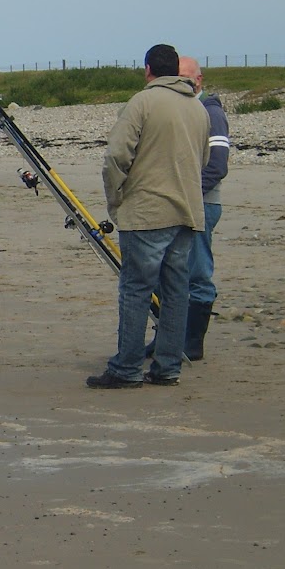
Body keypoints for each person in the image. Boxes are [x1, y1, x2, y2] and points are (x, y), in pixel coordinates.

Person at [89, 43, 209, 389]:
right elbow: (202, 161)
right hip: (185, 212)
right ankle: (167, 367)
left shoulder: (142, 102)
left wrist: (116, 198)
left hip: (147, 213)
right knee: (175, 292)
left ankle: (126, 368)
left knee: (136, 291)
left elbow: (116, 156)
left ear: (148, 71)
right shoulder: (197, 107)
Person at [177, 58, 229, 359]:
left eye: (187, 78)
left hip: (202, 205)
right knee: (170, 274)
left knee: (197, 272)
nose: (182, 83)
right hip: (178, 204)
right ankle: (168, 337)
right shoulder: (180, 109)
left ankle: (193, 343)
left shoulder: (212, 113)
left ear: (199, 79)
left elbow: (217, 167)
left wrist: (188, 195)